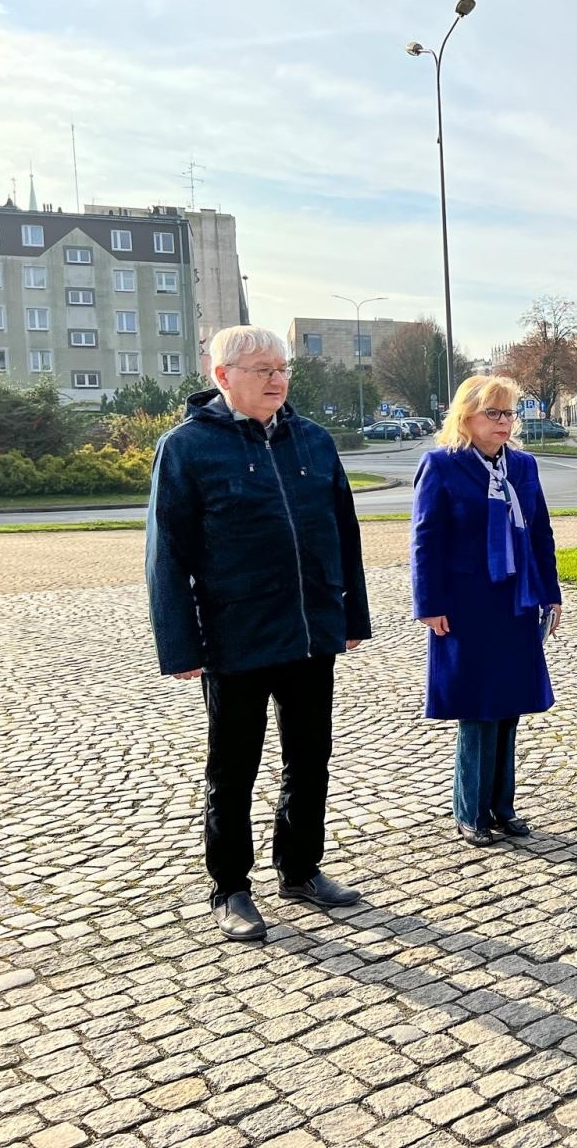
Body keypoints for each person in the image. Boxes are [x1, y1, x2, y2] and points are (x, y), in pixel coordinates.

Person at [146, 325, 371, 941]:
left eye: (282, 368)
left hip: (309, 631)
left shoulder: (314, 441)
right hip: (236, 635)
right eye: (262, 370)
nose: (278, 380)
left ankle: (300, 870)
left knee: (310, 759)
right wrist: (180, 644)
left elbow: (343, 534)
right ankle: (231, 887)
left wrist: (351, 615)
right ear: (222, 377)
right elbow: (167, 553)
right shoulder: (188, 448)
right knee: (233, 767)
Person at [411, 375, 562, 846]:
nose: (503, 422)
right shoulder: (442, 465)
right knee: (477, 709)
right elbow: (426, 540)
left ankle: (503, 806)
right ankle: (470, 810)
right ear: (466, 417)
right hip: (465, 605)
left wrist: (551, 592)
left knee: (510, 705)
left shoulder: (523, 466)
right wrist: (429, 603)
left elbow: (540, 532)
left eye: (509, 413)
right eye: (493, 413)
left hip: (517, 602)